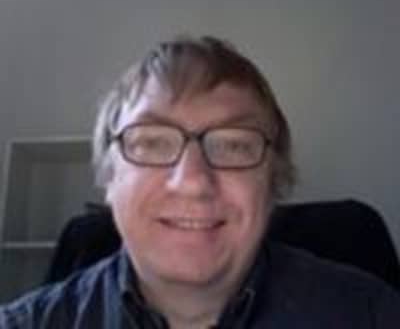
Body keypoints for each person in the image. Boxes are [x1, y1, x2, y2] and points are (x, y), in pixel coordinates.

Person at [1, 35, 399, 328]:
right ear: (108, 177)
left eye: (233, 146)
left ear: (273, 182)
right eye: (152, 143)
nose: (192, 181)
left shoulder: (373, 315)